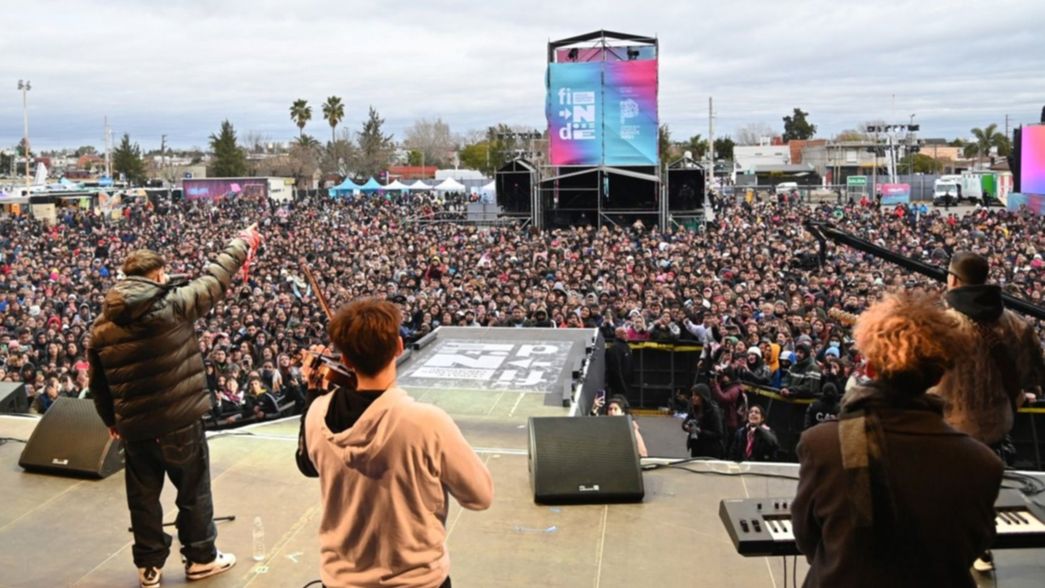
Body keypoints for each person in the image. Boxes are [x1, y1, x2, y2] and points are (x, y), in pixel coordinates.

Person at [791, 293, 1003, 587]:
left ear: (869, 368)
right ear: (938, 374)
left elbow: (807, 539)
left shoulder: (824, 443)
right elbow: (973, 547)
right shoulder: (983, 462)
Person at [89, 224, 260, 588]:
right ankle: (201, 559)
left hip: (135, 428)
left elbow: (98, 384)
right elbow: (216, 276)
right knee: (193, 491)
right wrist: (242, 243)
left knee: (143, 498)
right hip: (180, 421)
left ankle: (149, 567)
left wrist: (112, 420)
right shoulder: (174, 305)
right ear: (157, 275)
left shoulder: (102, 326)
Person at [304, 298, 493, 588]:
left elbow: (307, 463)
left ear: (346, 360)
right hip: (418, 581)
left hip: (341, 580)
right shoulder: (427, 423)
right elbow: (480, 496)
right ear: (399, 347)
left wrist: (312, 391)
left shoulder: (317, 412)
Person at [931, 252, 1044, 459]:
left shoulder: (937, 327)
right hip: (996, 441)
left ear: (953, 278)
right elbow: (1034, 377)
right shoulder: (1019, 325)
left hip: (946, 439)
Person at [682, 384, 725, 458]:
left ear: (703, 397)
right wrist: (686, 427)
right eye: (692, 395)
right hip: (696, 446)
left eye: (696, 395)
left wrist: (700, 431)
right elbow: (685, 422)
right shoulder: (693, 409)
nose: (693, 398)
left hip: (710, 449)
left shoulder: (714, 411)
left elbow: (718, 433)